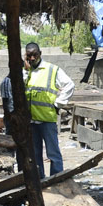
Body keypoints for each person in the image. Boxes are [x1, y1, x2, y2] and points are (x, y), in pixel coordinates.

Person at [24, 43, 75, 177]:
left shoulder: (52, 69)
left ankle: (56, 178)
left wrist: (58, 104)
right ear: (25, 56)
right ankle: (40, 180)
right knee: (35, 154)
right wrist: (25, 70)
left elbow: (69, 85)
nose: (32, 58)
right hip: (31, 121)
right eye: (29, 55)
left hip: (47, 119)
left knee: (53, 153)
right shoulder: (26, 71)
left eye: (35, 54)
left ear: (40, 53)